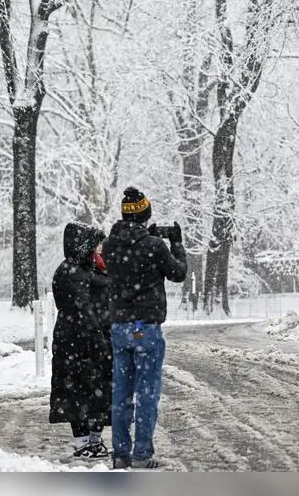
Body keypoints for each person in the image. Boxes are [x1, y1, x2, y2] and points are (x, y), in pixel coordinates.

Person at [103, 187, 187, 470]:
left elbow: (122, 264)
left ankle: (120, 453)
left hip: (119, 326)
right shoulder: (154, 246)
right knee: (147, 392)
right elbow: (178, 273)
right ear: (145, 215)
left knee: (121, 393)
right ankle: (141, 454)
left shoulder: (109, 245)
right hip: (146, 326)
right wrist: (176, 243)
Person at [50, 222, 112, 459]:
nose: (99, 248)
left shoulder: (89, 269)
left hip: (89, 341)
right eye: (95, 244)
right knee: (78, 393)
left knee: (95, 393)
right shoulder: (72, 272)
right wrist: (99, 343)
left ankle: (94, 441)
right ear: (83, 246)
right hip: (78, 344)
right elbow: (82, 312)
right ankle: (83, 443)